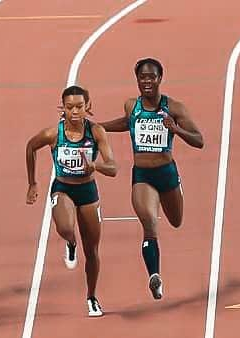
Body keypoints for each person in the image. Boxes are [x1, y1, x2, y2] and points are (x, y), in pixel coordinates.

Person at [100, 58, 204, 300]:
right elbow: (126, 123)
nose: (146, 81)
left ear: (160, 79)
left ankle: (177, 191)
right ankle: (154, 276)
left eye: (151, 77)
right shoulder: (131, 106)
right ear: (137, 80)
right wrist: (96, 127)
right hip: (142, 175)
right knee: (149, 222)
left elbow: (199, 140)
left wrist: (175, 129)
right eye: (142, 77)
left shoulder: (174, 108)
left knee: (176, 220)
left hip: (166, 173)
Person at [26, 85, 117, 317]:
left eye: (79, 106)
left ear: (88, 106)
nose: (75, 112)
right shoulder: (53, 133)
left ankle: (92, 297)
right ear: (63, 108)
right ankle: (70, 243)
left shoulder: (96, 132)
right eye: (69, 107)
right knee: (66, 227)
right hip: (63, 187)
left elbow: (113, 167)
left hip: (87, 190)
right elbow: (30, 147)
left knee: (93, 251)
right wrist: (33, 183)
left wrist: (94, 165)